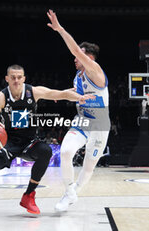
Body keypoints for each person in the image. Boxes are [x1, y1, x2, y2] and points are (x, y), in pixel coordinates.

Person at [0, 64, 94, 221]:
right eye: (13, 77)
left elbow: (59, 94)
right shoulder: (1, 97)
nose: (16, 80)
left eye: (19, 77)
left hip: (28, 142)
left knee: (46, 151)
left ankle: (28, 195)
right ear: (7, 79)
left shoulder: (32, 92)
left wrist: (79, 97)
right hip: (7, 143)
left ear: (24, 78)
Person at [47, 9, 110, 212]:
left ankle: (74, 191)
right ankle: (69, 192)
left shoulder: (95, 70)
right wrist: (55, 95)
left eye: (80, 55)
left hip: (100, 126)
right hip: (82, 120)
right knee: (65, 151)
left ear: (88, 57)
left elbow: (75, 51)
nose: (75, 58)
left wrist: (60, 29)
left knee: (89, 165)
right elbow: (71, 92)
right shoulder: (78, 76)